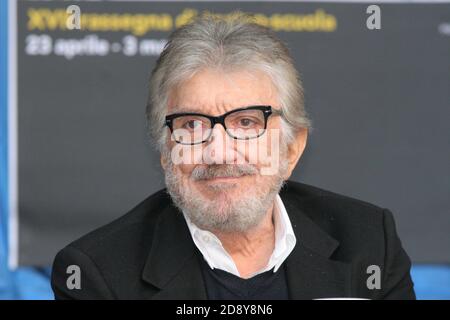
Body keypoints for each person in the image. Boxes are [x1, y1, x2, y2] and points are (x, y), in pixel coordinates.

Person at [51, 13, 415, 300]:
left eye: (246, 122)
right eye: (192, 125)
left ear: (291, 148)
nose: (219, 152)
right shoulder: (99, 274)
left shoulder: (368, 244)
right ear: (165, 152)